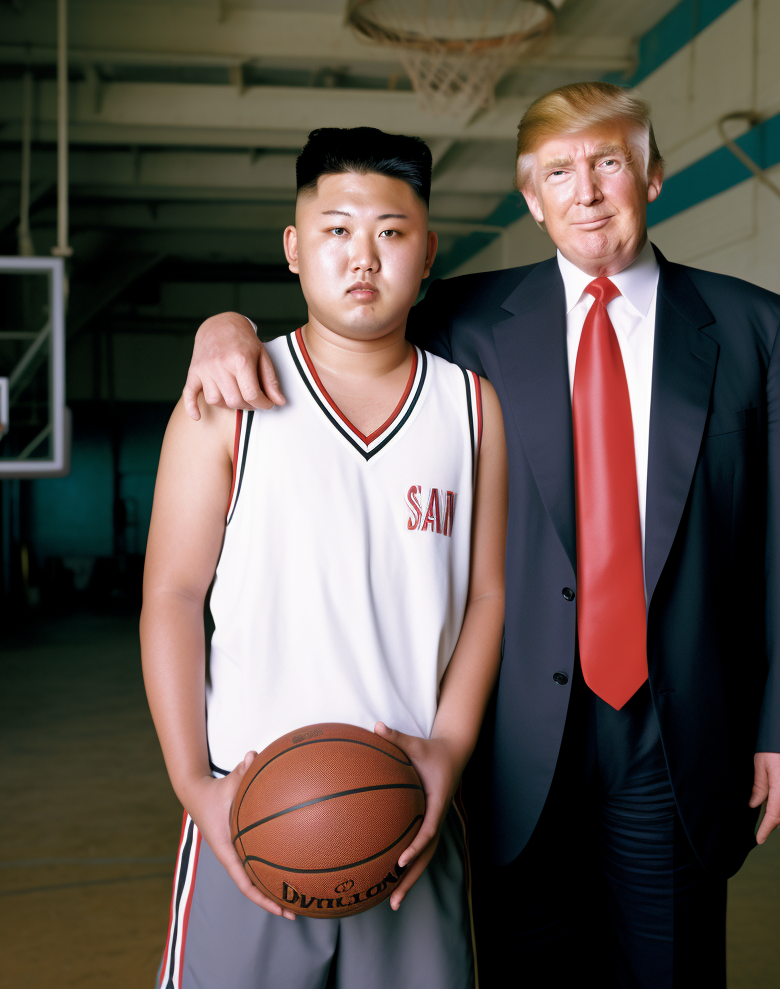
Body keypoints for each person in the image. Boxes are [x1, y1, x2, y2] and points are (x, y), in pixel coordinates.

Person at [181, 82, 780, 988]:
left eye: (609, 163)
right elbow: (345, 305)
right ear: (532, 200)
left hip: (676, 725)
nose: (588, 191)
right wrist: (226, 326)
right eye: (559, 172)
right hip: (515, 733)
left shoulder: (754, 326)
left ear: (652, 174)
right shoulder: (467, 319)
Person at [140, 127, 508, 989]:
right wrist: (196, 784)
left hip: (409, 814)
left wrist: (448, 753)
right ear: (294, 249)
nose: (363, 257)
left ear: (427, 253)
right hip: (249, 809)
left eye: (392, 230)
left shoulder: (473, 408)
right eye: (337, 229)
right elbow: (172, 595)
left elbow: (487, 597)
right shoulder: (226, 399)